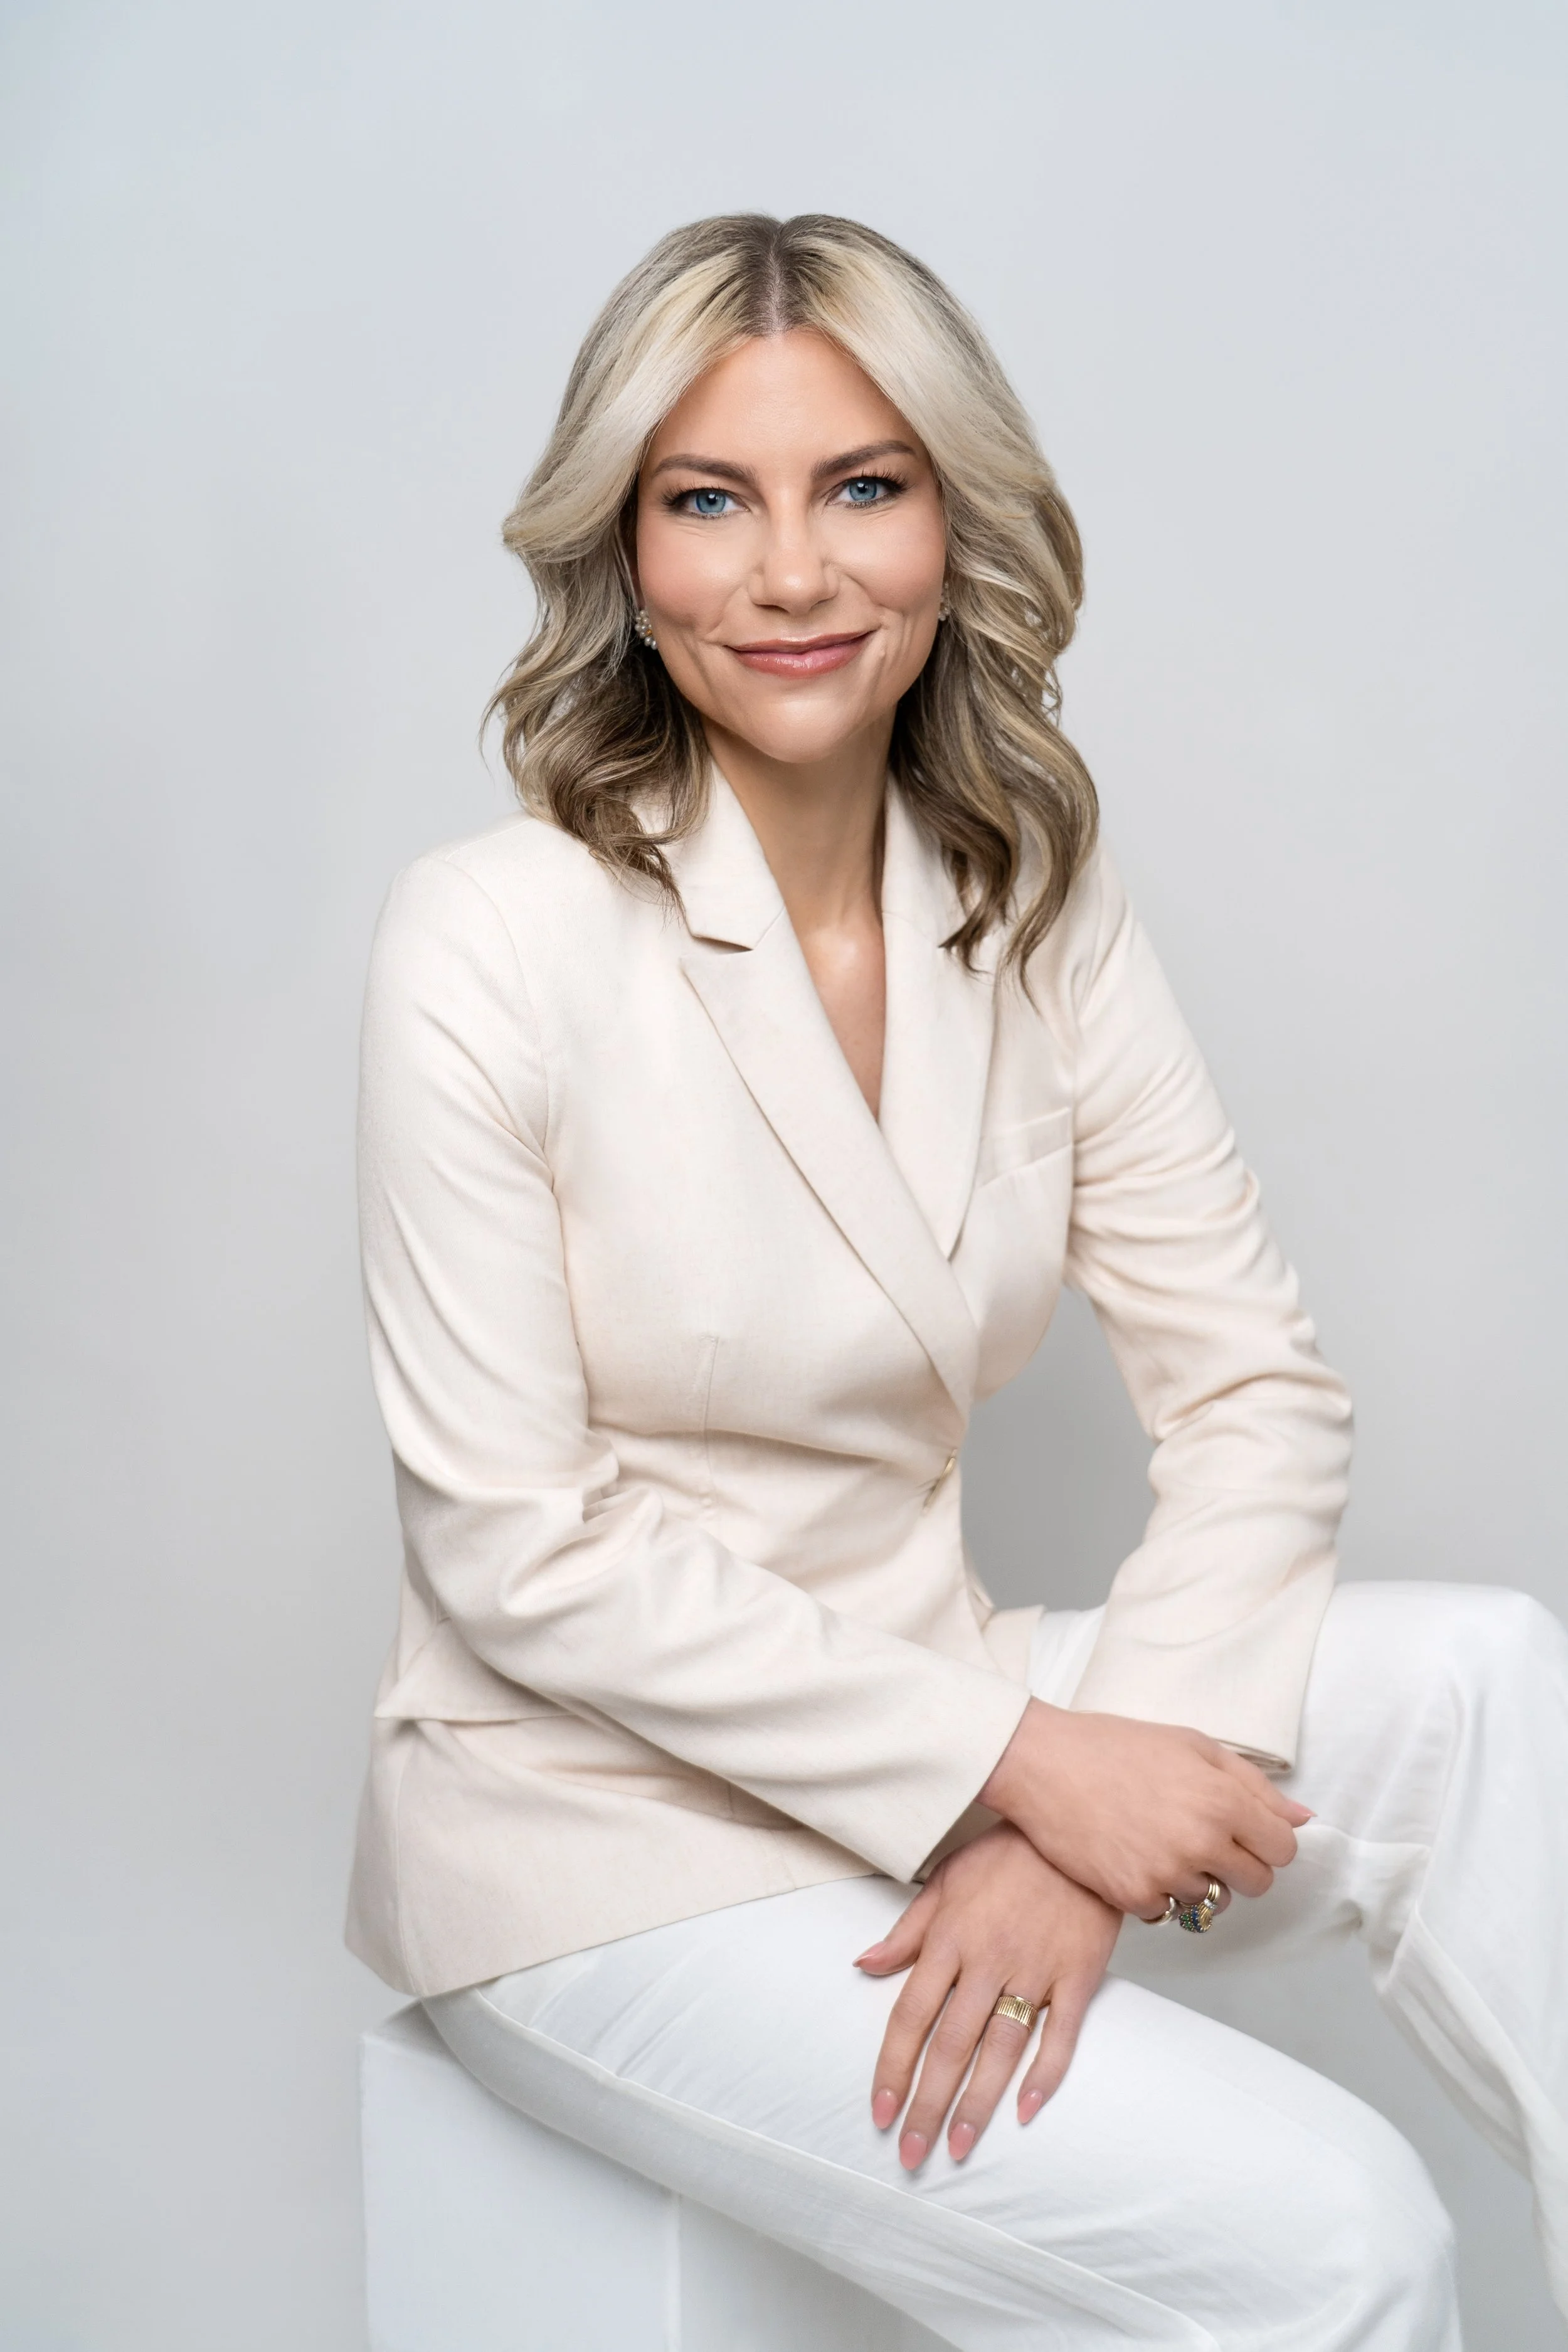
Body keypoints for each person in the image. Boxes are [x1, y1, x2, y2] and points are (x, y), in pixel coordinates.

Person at [346, 213, 1567, 2348]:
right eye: (707, 501)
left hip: (939, 1682)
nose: (791, 574)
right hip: (598, 1837)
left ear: (951, 519)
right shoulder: (490, 933)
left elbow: (1256, 1393)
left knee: (1490, 1687)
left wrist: (1062, 1811)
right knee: (1341, 2235)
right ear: (623, 552)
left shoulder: (1025, 893)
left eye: (863, 488)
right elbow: (514, 1547)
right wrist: (1015, 1762)